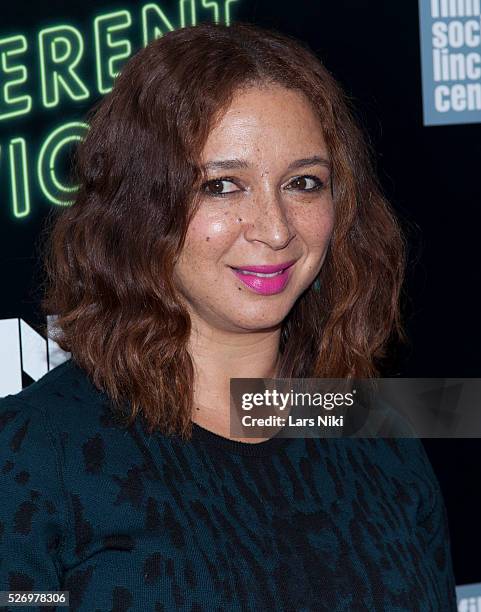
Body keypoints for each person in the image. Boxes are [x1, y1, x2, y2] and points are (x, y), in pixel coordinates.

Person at [0, 20, 457, 611]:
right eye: (222, 186)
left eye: (304, 182)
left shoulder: (379, 432)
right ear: (140, 204)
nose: (274, 229)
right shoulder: (36, 454)